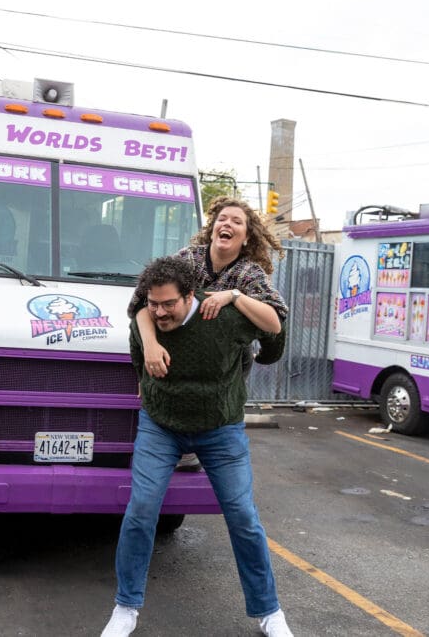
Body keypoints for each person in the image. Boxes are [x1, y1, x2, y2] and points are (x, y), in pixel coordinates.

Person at [101, 256, 294, 637]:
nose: (159, 312)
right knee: (141, 510)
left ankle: (268, 611)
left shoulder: (221, 317)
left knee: (242, 516)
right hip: (161, 426)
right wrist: (148, 353)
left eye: (168, 304)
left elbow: (274, 330)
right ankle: (126, 606)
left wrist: (237, 297)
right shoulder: (148, 318)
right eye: (153, 304)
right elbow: (138, 334)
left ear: (192, 295)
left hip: (220, 428)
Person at [127, 196, 288, 470]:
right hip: (176, 347)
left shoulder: (249, 273)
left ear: (247, 236)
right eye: (222, 219)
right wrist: (151, 345)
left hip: (221, 358)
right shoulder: (188, 259)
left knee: (238, 360)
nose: (227, 224)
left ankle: (208, 439)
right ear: (212, 228)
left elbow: (274, 322)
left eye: (237, 222)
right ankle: (175, 440)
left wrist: (234, 296)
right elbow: (142, 306)